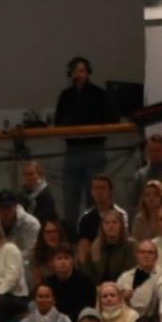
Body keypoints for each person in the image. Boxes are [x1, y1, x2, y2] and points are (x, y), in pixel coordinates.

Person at [54, 56, 118, 226]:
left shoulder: (99, 94)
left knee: (94, 196)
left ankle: (94, 230)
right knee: (70, 197)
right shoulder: (66, 96)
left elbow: (112, 118)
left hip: (94, 148)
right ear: (70, 74)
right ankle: (72, 233)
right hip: (73, 150)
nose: (78, 74)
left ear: (88, 73)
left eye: (81, 71)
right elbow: (58, 122)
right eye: (75, 71)